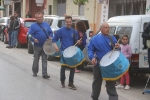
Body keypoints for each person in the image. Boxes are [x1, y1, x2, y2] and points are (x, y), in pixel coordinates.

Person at [88, 22, 120, 100]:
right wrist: (92, 58)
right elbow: (90, 49)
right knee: (97, 83)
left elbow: (117, 50)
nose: (107, 29)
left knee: (110, 83)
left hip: (109, 65)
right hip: (98, 64)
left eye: (108, 27)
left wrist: (118, 47)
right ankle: (94, 97)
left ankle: (113, 98)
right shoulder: (95, 39)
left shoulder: (112, 38)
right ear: (100, 29)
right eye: (105, 27)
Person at [52, 15, 79, 90]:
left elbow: (76, 42)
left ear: (71, 22)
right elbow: (54, 39)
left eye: (70, 22)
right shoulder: (61, 30)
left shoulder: (74, 31)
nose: (68, 23)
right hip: (63, 51)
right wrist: (55, 46)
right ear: (65, 22)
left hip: (72, 52)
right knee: (63, 67)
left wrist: (78, 42)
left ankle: (71, 83)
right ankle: (62, 81)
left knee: (72, 68)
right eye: (67, 22)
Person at [28, 12, 53, 79]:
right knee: (36, 59)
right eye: (38, 17)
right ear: (36, 18)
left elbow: (51, 32)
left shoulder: (46, 25)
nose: (39, 19)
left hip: (45, 45)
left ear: (42, 18)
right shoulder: (33, 26)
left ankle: (45, 74)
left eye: (40, 17)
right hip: (37, 46)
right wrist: (33, 39)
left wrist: (50, 36)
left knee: (44, 60)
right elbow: (29, 35)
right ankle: (35, 72)